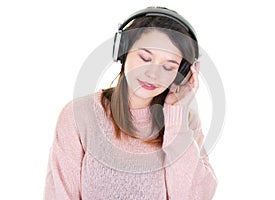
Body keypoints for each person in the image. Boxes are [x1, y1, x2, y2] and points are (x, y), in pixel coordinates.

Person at [44, 6, 217, 200]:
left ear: (182, 73)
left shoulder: (185, 122)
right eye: (145, 57)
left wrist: (176, 119)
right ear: (123, 51)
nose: (153, 74)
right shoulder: (79, 116)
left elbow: (196, 196)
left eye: (168, 67)